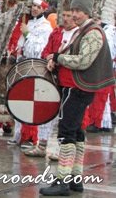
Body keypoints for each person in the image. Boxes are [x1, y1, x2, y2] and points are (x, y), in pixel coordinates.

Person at [40, 0, 115, 196]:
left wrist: (59, 58)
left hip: (77, 88)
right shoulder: (84, 30)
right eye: (72, 10)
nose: (74, 14)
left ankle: (62, 181)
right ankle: (75, 179)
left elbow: (83, 61)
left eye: (78, 11)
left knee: (66, 133)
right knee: (77, 133)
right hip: (74, 87)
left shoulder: (91, 32)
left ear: (87, 12)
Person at [24, 8, 78, 159]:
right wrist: (49, 60)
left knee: (65, 117)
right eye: (64, 15)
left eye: (69, 15)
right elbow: (46, 51)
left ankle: (62, 150)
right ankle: (42, 145)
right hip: (52, 79)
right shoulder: (56, 33)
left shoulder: (79, 35)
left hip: (70, 81)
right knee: (46, 111)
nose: (66, 18)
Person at [8, 0, 52, 148]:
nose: (34, 9)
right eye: (33, 6)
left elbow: (39, 49)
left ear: (43, 9)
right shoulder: (27, 22)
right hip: (22, 65)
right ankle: (18, 134)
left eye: (38, 7)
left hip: (34, 67)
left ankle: (30, 136)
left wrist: (27, 35)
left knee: (31, 102)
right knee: (19, 99)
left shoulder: (45, 27)